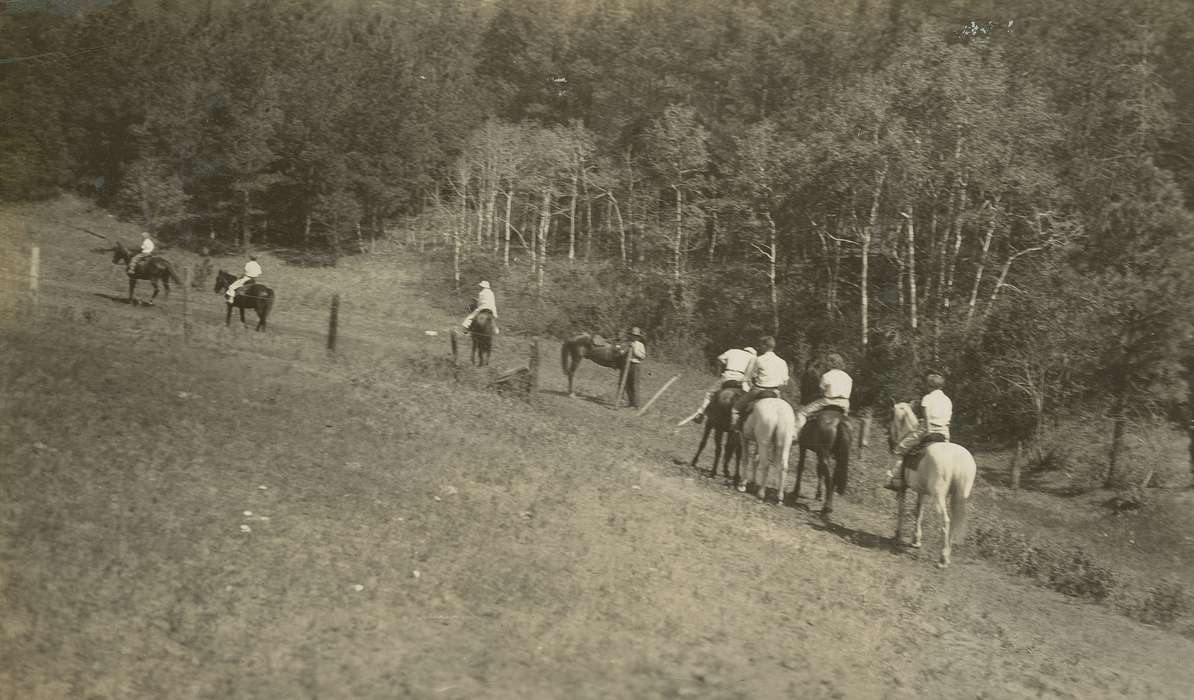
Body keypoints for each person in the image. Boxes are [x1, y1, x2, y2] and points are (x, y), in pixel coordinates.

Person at [886, 372, 953, 491]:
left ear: (929, 386)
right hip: (944, 432)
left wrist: (927, 431)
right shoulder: (948, 400)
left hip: (928, 429)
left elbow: (927, 420)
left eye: (927, 385)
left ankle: (896, 479)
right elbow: (946, 419)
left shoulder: (927, 398)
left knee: (899, 449)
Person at [683, 346, 757, 425]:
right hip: (740, 379)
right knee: (747, 399)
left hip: (727, 376)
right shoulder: (752, 357)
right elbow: (749, 375)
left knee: (710, 393)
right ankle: (743, 422)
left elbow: (720, 358)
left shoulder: (732, 351)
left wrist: (726, 364)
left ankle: (700, 414)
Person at [731, 336, 790, 428]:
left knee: (735, 409)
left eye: (761, 345)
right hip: (775, 392)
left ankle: (735, 431)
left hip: (759, 391)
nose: (759, 347)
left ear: (764, 346)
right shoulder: (782, 362)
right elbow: (785, 382)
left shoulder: (758, 359)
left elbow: (748, 377)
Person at [792, 352, 853, 435]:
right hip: (845, 404)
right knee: (846, 422)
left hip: (828, 401)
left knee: (802, 413)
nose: (826, 363)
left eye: (828, 361)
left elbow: (821, 391)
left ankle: (795, 435)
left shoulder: (826, 375)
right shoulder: (848, 377)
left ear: (832, 363)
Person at [621, 327, 647, 408]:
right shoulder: (628, 343)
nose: (634, 337)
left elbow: (643, 356)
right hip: (627, 365)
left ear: (638, 337)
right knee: (627, 384)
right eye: (632, 335)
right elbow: (622, 352)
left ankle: (636, 405)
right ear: (630, 336)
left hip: (635, 365)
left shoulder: (640, 345)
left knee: (635, 384)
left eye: (636, 336)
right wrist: (621, 350)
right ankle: (631, 402)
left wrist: (635, 350)